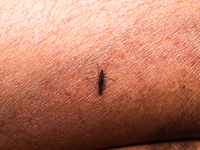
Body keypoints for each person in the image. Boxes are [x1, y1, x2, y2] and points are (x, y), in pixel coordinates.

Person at [0, 0, 200, 149]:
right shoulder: (100, 76)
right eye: (101, 73)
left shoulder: (101, 77)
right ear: (101, 74)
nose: (101, 75)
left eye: (101, 73)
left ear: (101, 74)